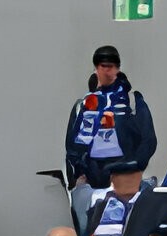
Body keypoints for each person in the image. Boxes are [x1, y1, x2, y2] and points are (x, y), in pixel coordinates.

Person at [64, 45, 155, 194]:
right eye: (102, 66)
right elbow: (72, 146)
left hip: (126, 181)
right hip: (92, 182)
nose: (106, 71)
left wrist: (134, 169)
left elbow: (148, 139)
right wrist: (79, 175)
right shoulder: (83, 105)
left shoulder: (132, 101)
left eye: (110, 66)